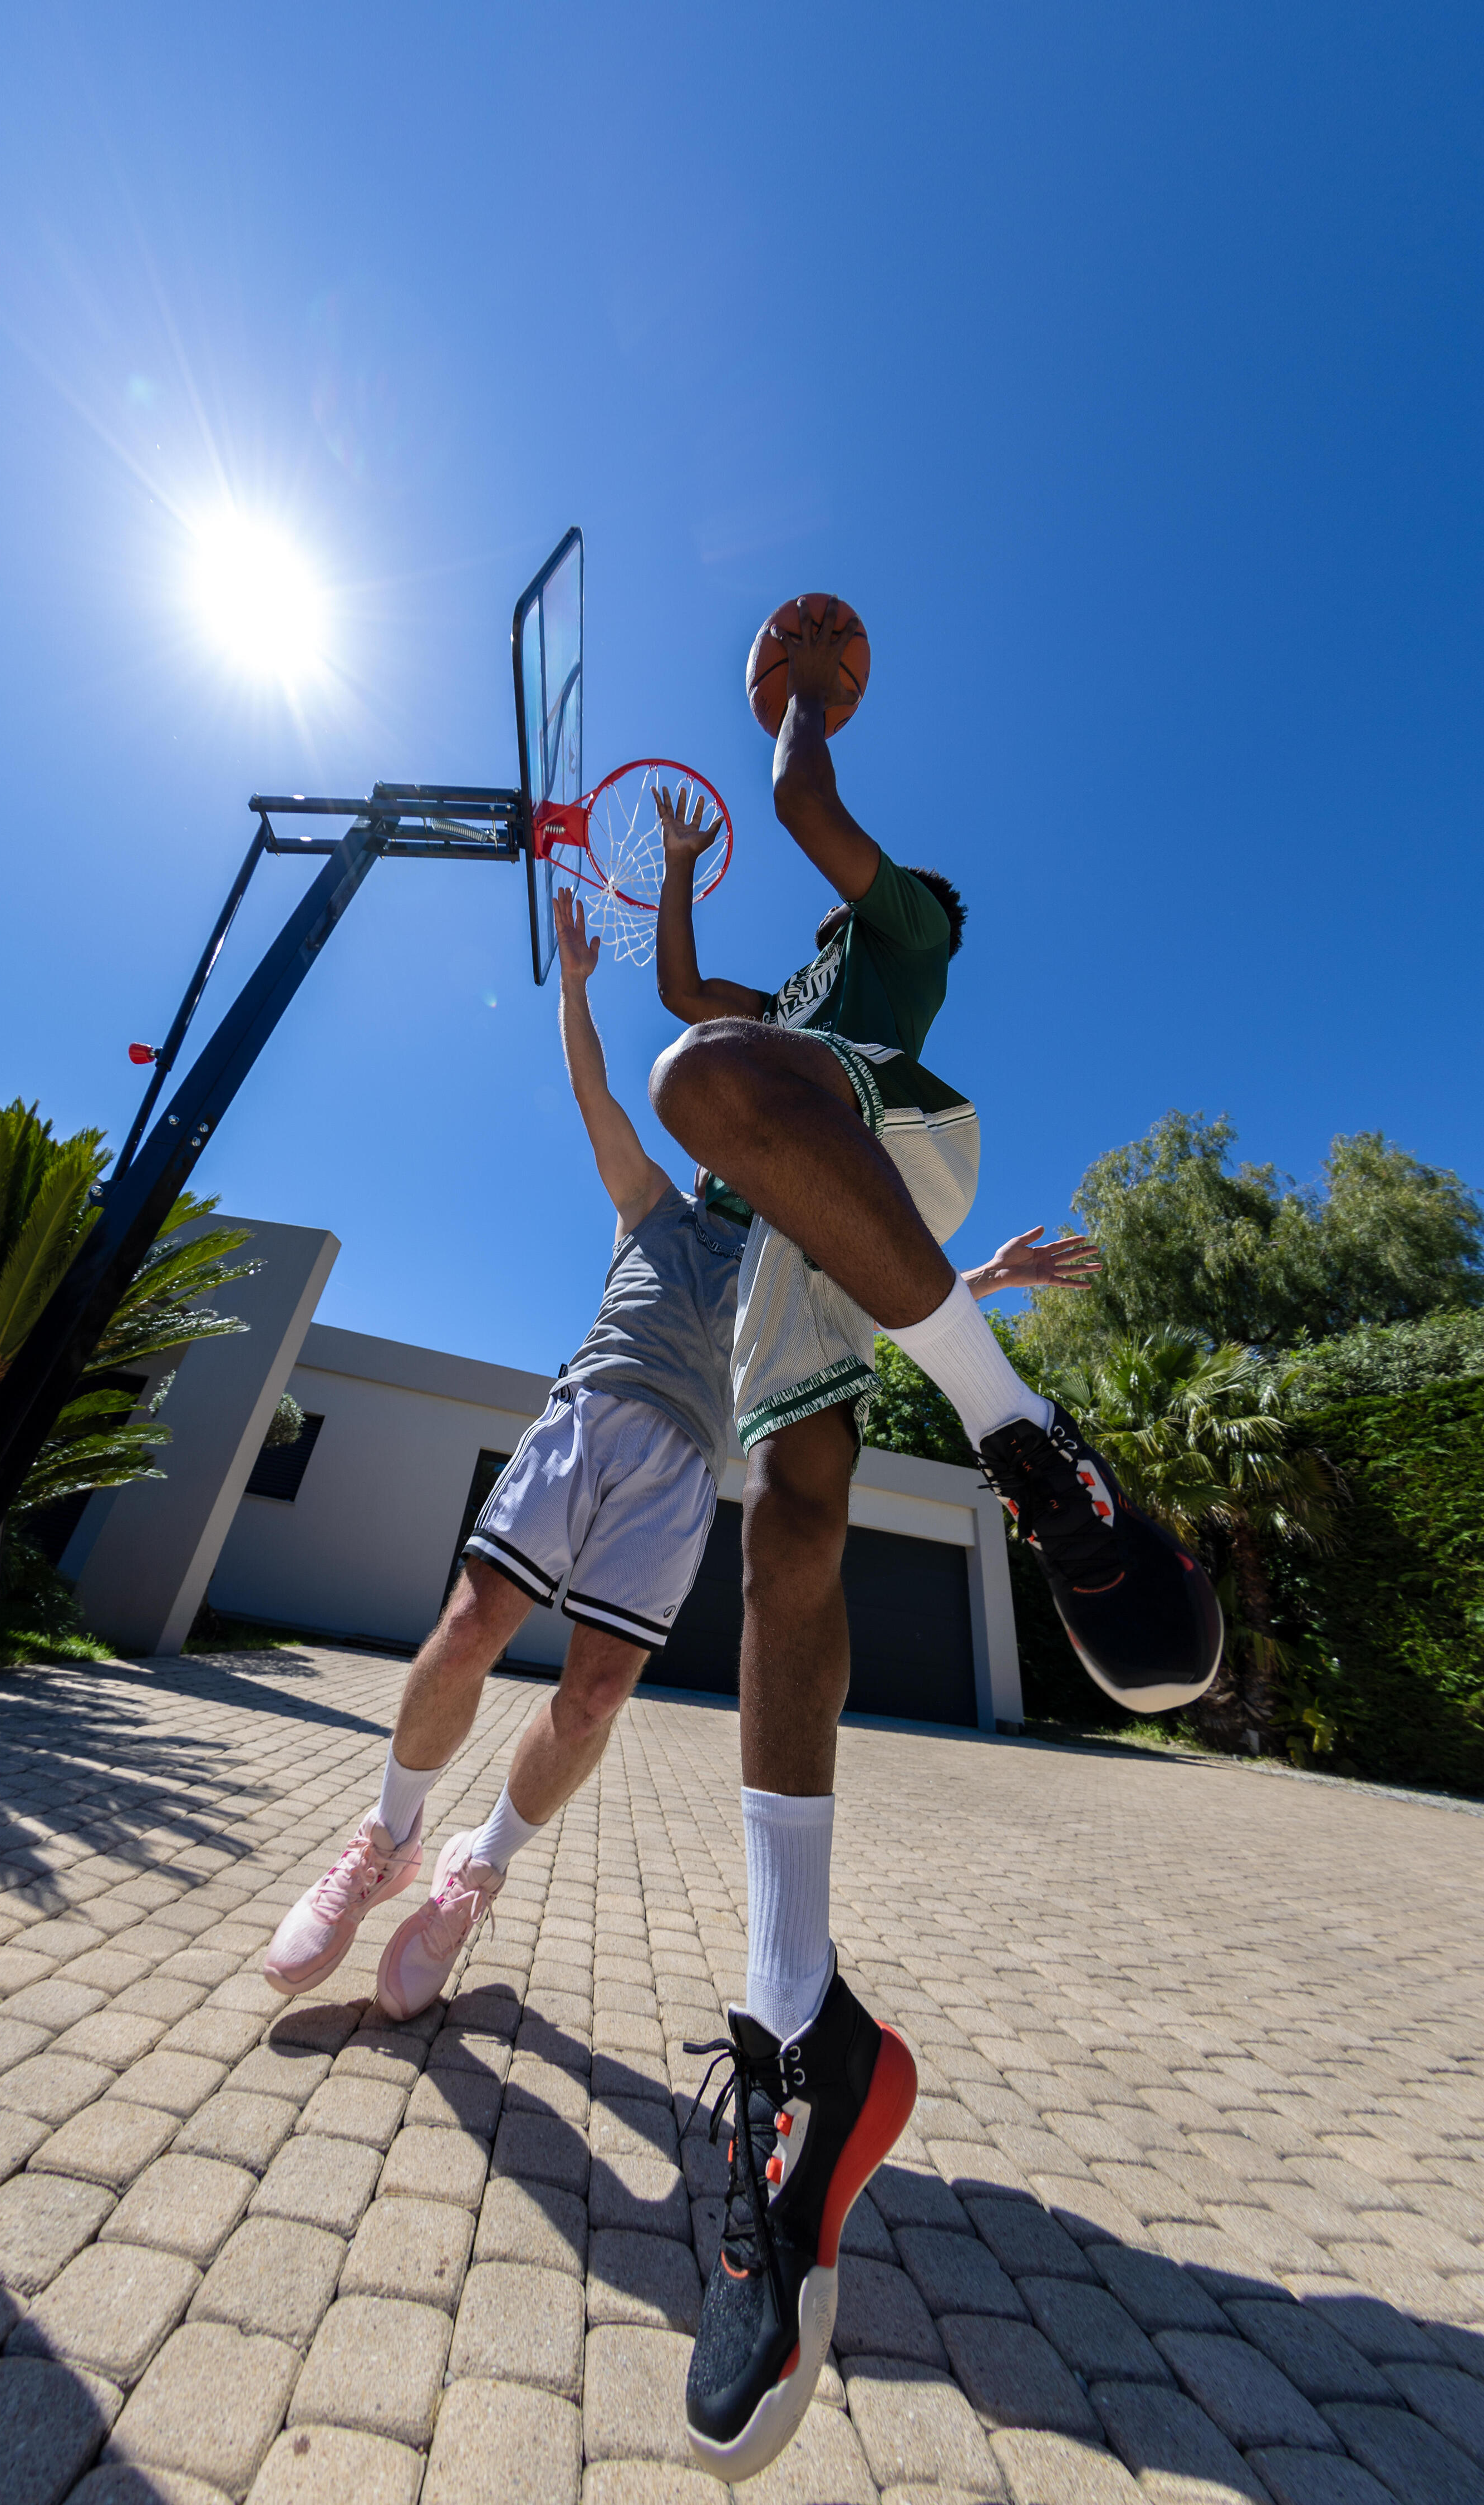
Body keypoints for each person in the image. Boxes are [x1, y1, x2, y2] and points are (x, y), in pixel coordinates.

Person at [650, 603, 1220, 2481]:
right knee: (787, 1552)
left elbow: (812, 808)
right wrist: (665, 875)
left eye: (837, 906)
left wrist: (794, 708)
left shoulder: (905, 939)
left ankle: (1017, 1430)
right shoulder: (789, 995)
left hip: (883, 1140)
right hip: (798, 1231)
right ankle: (798, 2028)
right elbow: (684, 994)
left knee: (717, 1093)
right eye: (814, 921)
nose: (825, 923)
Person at [263, 885, 750, 2017]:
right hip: (585, 1418)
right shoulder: (654, 1205)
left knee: (593, 1698)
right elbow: (594, 1099)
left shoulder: (783, 1272)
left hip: (683, 1472)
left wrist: (987, 1285)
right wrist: (577, 990)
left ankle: (475, 1870)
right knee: (473, 1625)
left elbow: (882, 1294)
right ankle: (383, 1842)